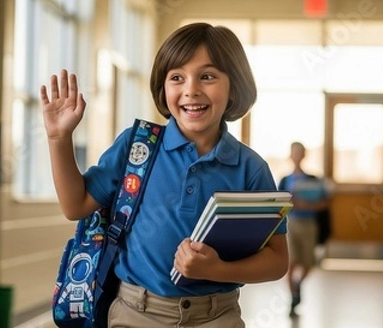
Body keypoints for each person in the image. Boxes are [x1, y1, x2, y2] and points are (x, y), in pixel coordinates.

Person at [40, 23, 288, 327]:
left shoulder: (251, 169)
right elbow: (74, 205)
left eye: (207, 76)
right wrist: (58, 139)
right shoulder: (136, 146)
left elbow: (277, 261)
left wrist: (217, 270)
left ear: (234, 86)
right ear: (163, 88)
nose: (191, 89)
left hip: (217, 316)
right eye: (177, 77)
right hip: (134, 312)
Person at [277, 142, 329, 316]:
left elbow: (324, 203)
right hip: (291, 225)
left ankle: (298, 285)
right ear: (291, 156)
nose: (297, 156)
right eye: (294, 152)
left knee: (308, 262)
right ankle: (293, 298)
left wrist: (308, 205)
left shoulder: (313, 180)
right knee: (291, 262)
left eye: (300, 152)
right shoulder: (285, 180)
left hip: (309, 225)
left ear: (304, 155)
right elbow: (278, 205)